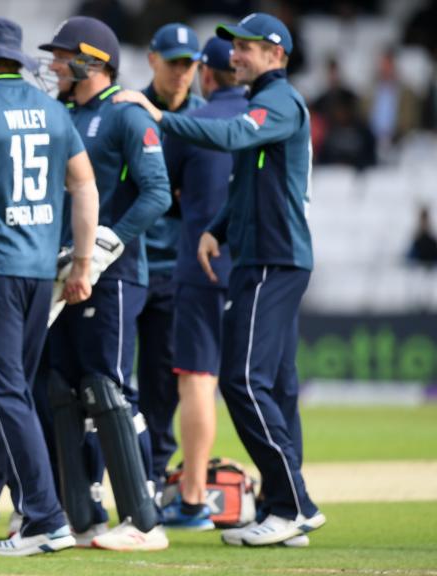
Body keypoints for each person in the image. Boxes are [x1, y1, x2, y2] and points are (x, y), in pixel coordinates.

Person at [115, 11, 327, 547]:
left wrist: (161, 118)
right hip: (269, 256)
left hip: (270, 261)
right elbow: (247, 188)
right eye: (235, 47)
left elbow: (233, 135)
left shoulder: (276, 100)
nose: (237, 54)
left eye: (249, 48)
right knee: (276, 384)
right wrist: (216, 230)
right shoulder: (268, 99)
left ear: (277, 54)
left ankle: (294, 503)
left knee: (243, 381)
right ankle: (284, 509)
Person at [0, 17, 100, 557]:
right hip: (38, 275)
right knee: (7, 395)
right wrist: (81, 262)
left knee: (2, 394)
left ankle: (44, 518)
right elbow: (85, 186)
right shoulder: (56, 112)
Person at [39, 16, 171, 552]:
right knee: (63, 393)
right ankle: (83, 516)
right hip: (66, 270)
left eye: (61, 55)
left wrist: (107, 246)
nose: (52, 65)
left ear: (91, 61)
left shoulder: (126, 114)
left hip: (113, 277)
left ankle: (145, 521)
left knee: (108, 389)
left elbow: (157, 193)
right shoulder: (64, 114)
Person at [159, 36, 246, 530]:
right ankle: (285, 496)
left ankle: (192, 498)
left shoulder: (194, 125)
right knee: (265, 383)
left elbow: (164, 189)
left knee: (198, 381)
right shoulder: (267, 120)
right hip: (256, 270)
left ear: (206, 76)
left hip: (199, 267)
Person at [136, 23, 205, 495]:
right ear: (152, 59)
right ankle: (112, 471)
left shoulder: (205, 119)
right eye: (174, 61)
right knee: (111, 378)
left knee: (162, 380)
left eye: (189, 63)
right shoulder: (129, 110)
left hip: (177, 269)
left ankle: (154, 474)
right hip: (128, 262)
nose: (181, 72)